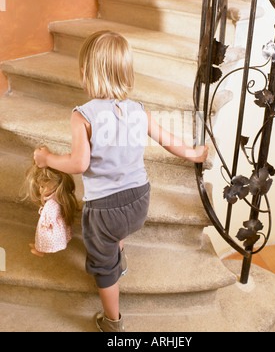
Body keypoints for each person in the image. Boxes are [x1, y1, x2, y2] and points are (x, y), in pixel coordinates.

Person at [33, 30, 208, 332]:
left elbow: (79, 163)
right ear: (126, 72)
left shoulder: (82, 116)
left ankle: (112, 321)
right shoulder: (137, 110)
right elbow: (167, 140)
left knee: (103, 265)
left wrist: (46, 158)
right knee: (118, 232)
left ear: (85, 72)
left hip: (105, 210)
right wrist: (193, 153)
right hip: (140, 200)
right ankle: (120, 256)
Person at [23, 164, 78, 257]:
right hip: (52, 222)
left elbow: (50, 214)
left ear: (54, 188)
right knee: (41, 239)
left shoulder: (52, 203)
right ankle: (38, 247)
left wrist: (45, 223)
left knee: (43, 238)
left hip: (49, 225)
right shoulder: (55, 199)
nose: (40, 190)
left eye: (42, 187)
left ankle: (40, 251)